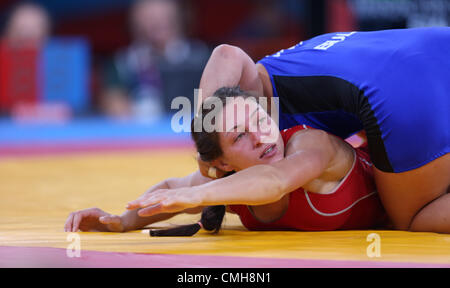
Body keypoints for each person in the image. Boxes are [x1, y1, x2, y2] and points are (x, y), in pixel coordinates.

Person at [192, 27, 450, 233]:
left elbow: (226, 54)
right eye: (239, 134)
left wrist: (205, 137)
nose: (259, 137)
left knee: (412, 217)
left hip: (403, 92)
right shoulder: (277, 73)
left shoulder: (273, 100)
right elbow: (229, 55)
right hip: (436, 43)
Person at [64, 87, 387, 234]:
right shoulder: (223, 183)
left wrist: (195, 195)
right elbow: (169, 190)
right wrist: (121, 222)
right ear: (224, 164)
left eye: (260, 120)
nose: (262, 137)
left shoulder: (310, 144)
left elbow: (274, 182)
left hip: (413, 175)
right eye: (240, 136)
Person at [101, 0, 210, 121]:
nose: (158, 23)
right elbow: (114, 102)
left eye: (164, 17)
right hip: (143, 134)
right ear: (135, 24)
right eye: (150, 18)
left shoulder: (203, 57)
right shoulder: (123, 62)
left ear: (178, 19)